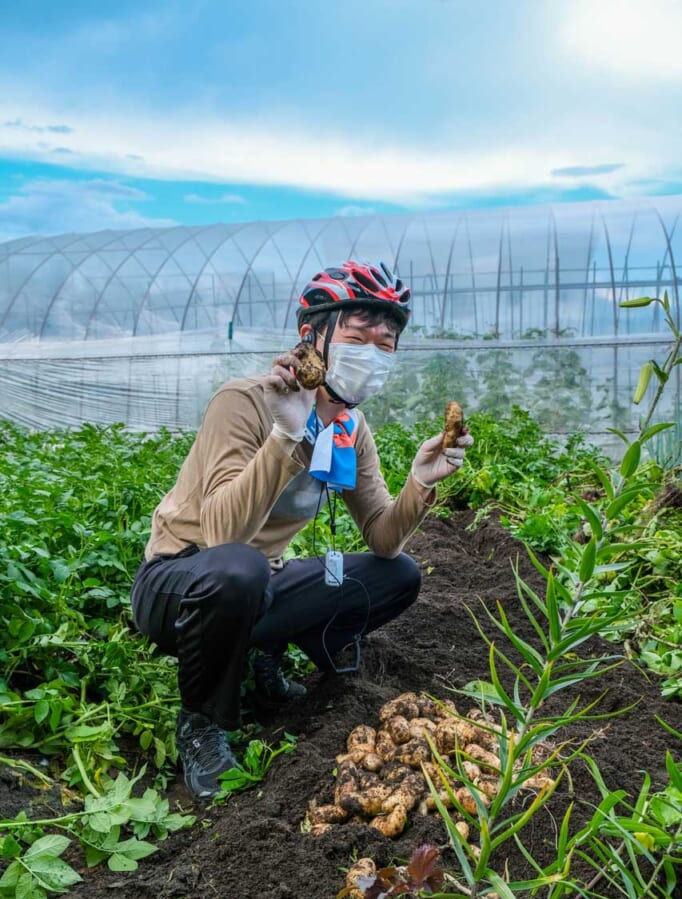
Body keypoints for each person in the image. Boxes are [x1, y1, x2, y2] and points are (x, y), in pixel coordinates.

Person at [131, 260, 474, 799]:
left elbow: (383, 537)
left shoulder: (349, 427)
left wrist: (419, 482)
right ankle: (202, 723)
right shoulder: (245, 402)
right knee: (239, 567)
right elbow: (222, 535)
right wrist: (286, 434)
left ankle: (268, 647)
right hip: (178, 582)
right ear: (312, 336)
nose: (373, 356)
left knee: (398, 575)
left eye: (386, 346)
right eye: (359, 338)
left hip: (257, 582)